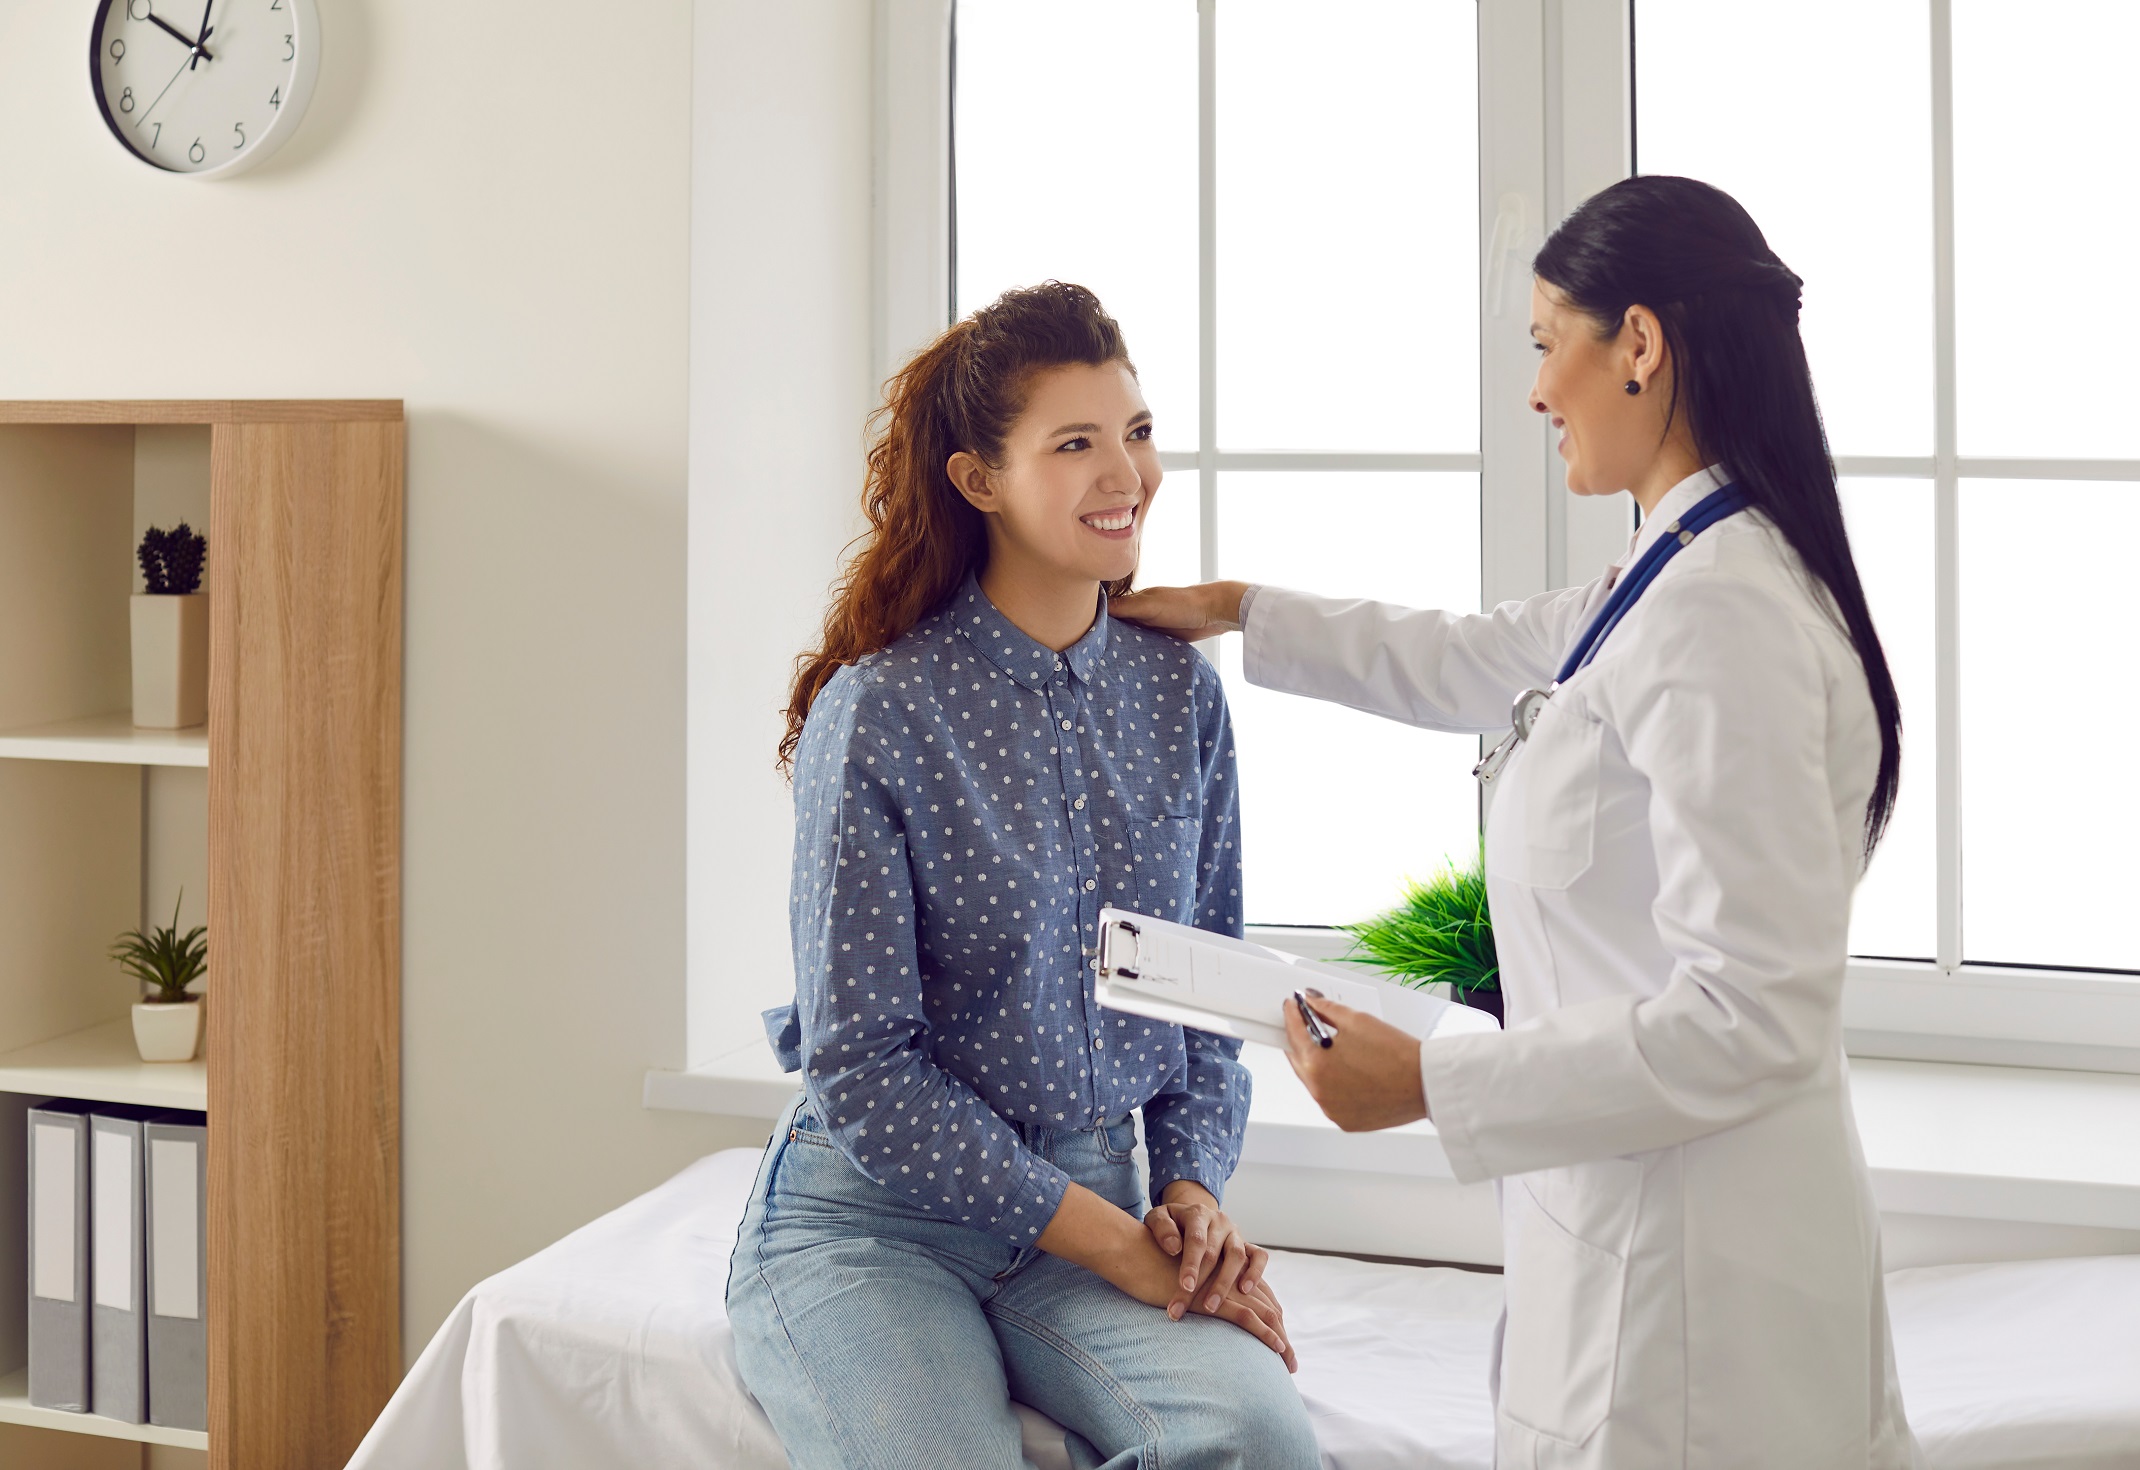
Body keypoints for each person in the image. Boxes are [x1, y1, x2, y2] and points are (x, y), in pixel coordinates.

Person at [1114, 176, 1924, 1468]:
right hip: (1642, 1233)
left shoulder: (1725, 613)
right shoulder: (1672, 566)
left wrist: (1430, 1080)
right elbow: (1469, 656)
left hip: (1696, 1299)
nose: (1537, 390)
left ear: (1640, 346)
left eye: (1550, 344)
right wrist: (1236, 608)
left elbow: (1753, 1015)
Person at [727, 281, 1320, 1470]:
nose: (1127, 474)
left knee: (1256, 1439)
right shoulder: (882, 712)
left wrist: (1193, 1191)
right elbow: (863, 1068)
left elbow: (1208, 987)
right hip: (875, 1226)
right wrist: (1111, 1241)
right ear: (977, 480)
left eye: (1137, 434)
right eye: (1076, 444)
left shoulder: (1177, 695)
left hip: (1096, 1202)